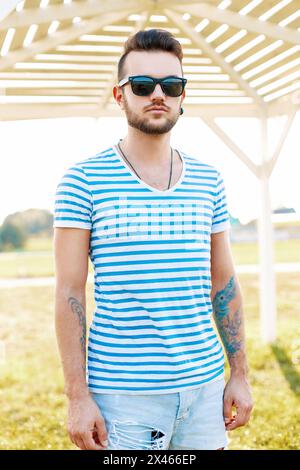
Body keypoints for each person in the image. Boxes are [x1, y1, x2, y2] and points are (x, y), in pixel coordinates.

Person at [53, 28, 253, 451]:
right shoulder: (83, 180)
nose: (157, 94)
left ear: (183, 95)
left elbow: (225, 283)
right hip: (124, 400)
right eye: (142, 86)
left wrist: (239, 373)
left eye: (172, 84)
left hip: (205, 393)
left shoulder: (209, 180)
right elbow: (70, 291)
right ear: (119, 95)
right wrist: (77, 396)